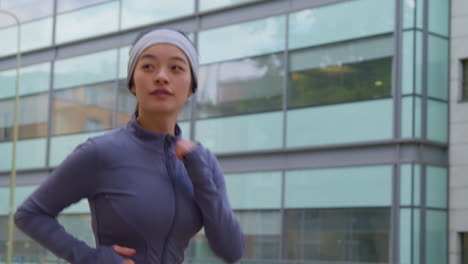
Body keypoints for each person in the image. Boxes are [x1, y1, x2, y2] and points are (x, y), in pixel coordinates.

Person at [14, 28, 245, 264]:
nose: (161, 76)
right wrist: (92, 259)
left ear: (191, 88)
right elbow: (30, 215)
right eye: (148, 67)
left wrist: (200, 175)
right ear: (133, 84)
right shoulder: (100, 152)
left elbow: (231, 250)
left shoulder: (203, 161)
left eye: (176, 68)